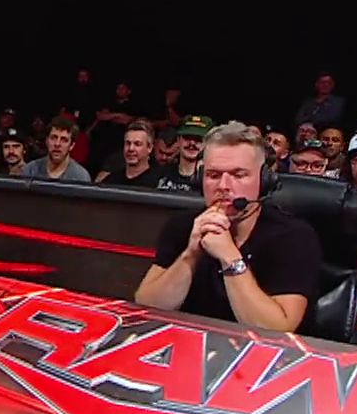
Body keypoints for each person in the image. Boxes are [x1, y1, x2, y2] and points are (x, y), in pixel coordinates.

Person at [134, 121, 322, 333]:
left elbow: (277, 330)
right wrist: (191, 253)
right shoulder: (182, 225)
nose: (223, 186)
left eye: (238, 175)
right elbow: (146, 307)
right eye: (213, 175)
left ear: (264, 181)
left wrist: (230, 257)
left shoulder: (294, 236)